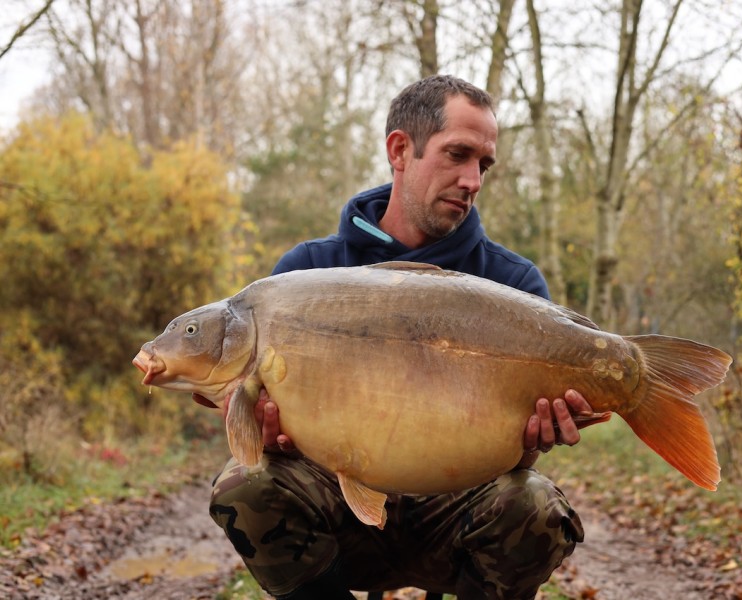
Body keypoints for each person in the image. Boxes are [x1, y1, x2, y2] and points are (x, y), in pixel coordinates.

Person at [204, 74, 593, 600]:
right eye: (458, 154)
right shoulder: (304, 275)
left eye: (484, 164)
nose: (473, 180)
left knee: (537, 506)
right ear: (400, 149)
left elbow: (516, 464)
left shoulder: (514, 287)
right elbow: (271, 443)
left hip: (454, 512)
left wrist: (534, 440)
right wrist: (270, 435)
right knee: (244, 485)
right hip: (343, 518)